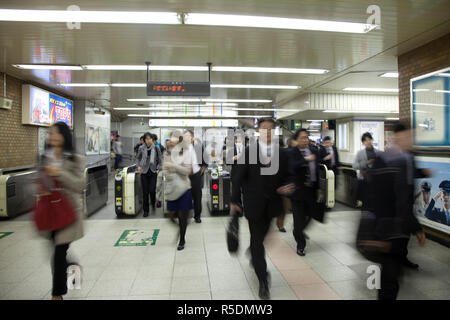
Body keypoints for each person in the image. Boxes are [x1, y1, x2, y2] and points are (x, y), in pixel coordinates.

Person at [231, 118, 295, 300]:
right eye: (264, 128)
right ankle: (263, 281)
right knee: (258, 243)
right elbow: (237, 178)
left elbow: (289, 175)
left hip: (273, 206)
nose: (267, 131)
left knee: (262, 237)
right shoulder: (249, 152)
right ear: (259, 131)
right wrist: (235, 201)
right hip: (253, 205)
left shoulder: (282, 154)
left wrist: (288, 185)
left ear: (274, 132)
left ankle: (254, 250)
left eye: (270, 129)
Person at [366, 123, 428, 300]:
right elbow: (395, 199)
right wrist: (415, 227)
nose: (412, 141)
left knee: (390, 275)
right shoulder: (390, 161)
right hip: (387, 227)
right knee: (389, 277)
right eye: (409, 136)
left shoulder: (405, 159)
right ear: (398, 137)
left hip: (396, 226)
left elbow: (404, 199)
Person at [36, 122, 85, 300]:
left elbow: (80, 185)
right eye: (50, 134)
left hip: (68, 213)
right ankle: (74, 268)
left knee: (58, 254)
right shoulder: (44, 158)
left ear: (65, 136)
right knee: (58, 254)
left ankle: (57, 295)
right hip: (49, 213)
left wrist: (59, 173)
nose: (53, 137)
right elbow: (38, 182)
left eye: (56, 133)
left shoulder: (75, 159)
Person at [289, 129, 322, 256]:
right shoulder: (293, 152)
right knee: (298, 219)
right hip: (298, 191)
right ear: (296, 140)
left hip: (311, 189)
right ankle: (301, 245)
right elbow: (292, 166)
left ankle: (299, 231)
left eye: (307, 137)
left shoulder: (314, 150)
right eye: (302, 138)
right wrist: (306, 159)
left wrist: (318, 187)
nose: (305, 140)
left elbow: (317, 170)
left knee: (312, 214)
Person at [163, 130, 194, 250]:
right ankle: (181, 227)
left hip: (184, 188)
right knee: (171, 216)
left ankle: (182, 239)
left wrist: (173, 166)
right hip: (171, 188)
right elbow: (165, 169)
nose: (172, 140)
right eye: (171, 138)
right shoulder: (166, 153)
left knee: (182, 215)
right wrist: (169, 172)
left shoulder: (186, 152)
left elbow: (187, 171)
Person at [184, 130, 207, 223]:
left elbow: (205, 159)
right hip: (185, 176)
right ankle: (185, 215)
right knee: (185, 196)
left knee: (197, 196)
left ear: (192, 137)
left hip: (196, 175)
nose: (186, 138)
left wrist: (203, 167)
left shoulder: (198, 147)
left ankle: (197, 215)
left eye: (188, 136)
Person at [137, 132, 162, 217]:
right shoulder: (141, 148)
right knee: (145, 192)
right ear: (144, 140)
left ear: (152, 139)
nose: (149, 140)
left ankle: (153, 201)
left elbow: (160, 160)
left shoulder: (156, 148)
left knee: (152, 190)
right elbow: (138, 158)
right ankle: (146, 210)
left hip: (153, 171)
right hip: (144, 172)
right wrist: (139, 166)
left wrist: (158, 168)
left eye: (150, 139)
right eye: (147, 139)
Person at [353, 132, 381, 209]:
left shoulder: (378, 153)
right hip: (364, 179)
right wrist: (365, 163)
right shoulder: (360, 153)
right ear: (363, 142)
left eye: (369, 139)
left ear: (372, 140)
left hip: (375, 180)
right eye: (365, 140)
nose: (368, 142)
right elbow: (354, 166)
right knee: (365, 200)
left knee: (374, 200)